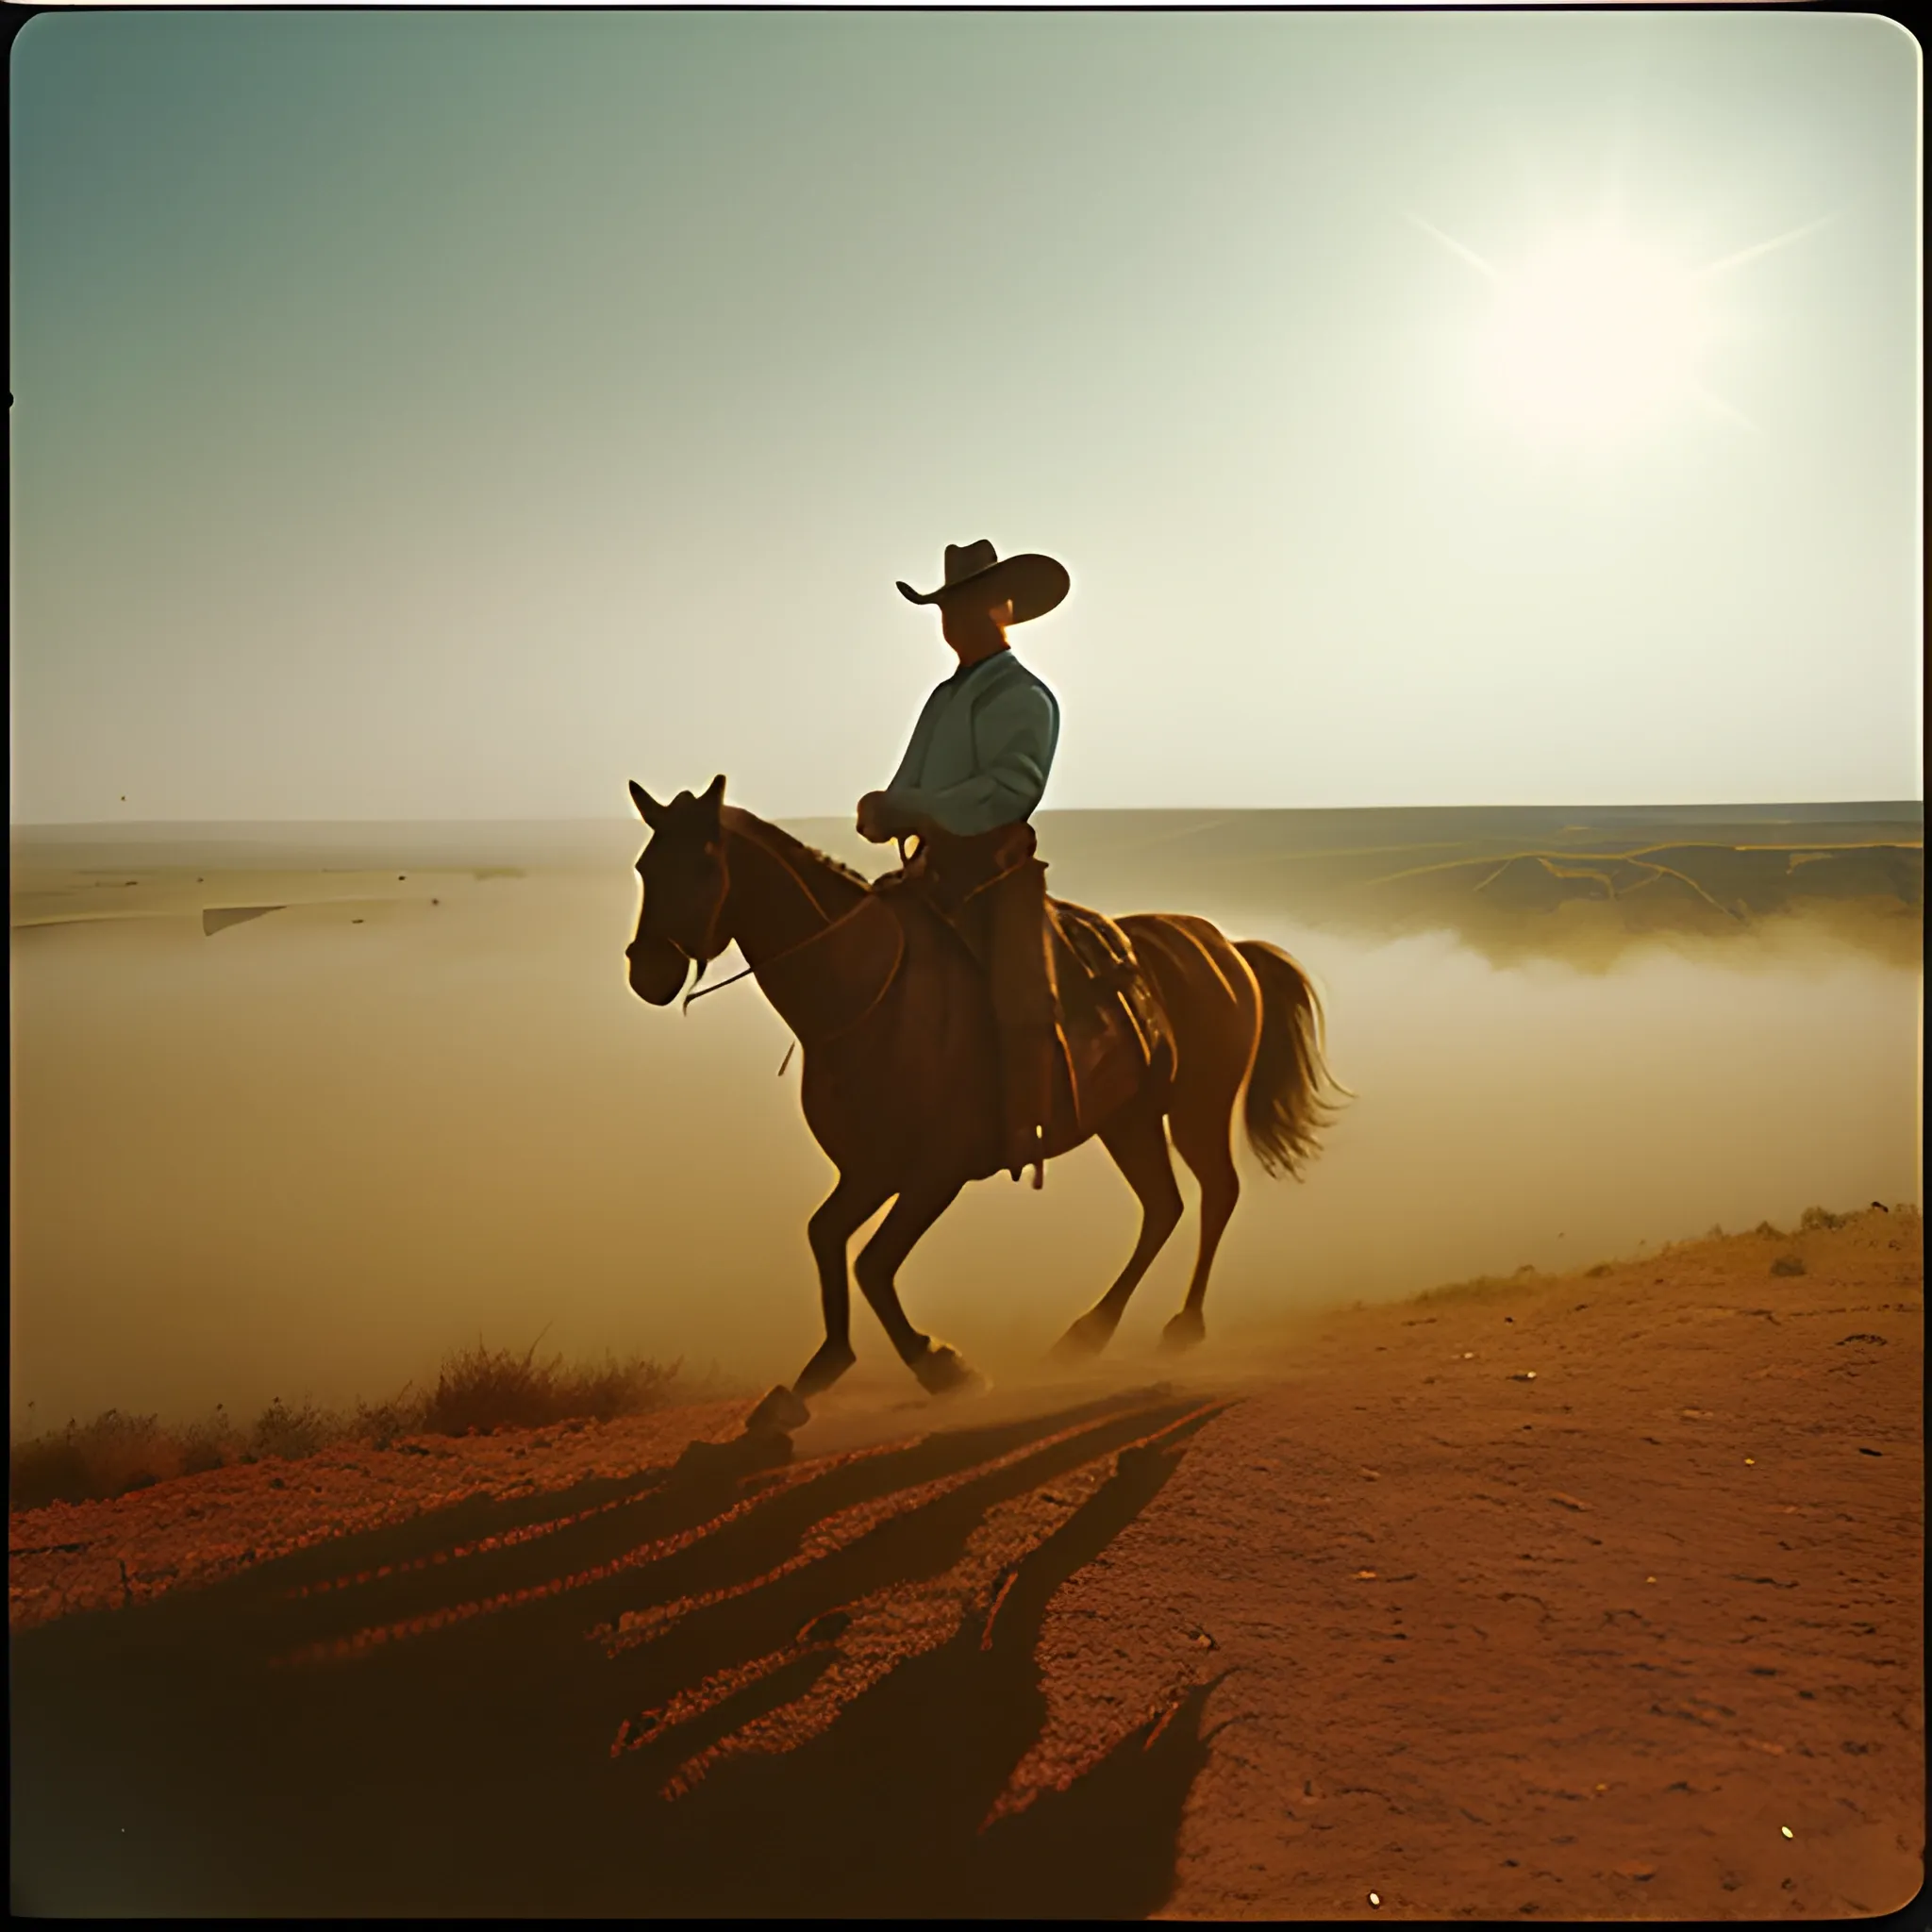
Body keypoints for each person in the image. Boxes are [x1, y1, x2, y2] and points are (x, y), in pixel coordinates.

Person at [857, 540, 1070, 1187]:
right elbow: (911, 782)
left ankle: (1024, 1118)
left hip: (992, 872)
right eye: (949, 609)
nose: (956, 620)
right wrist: (886, 808)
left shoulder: (1025, 696)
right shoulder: (944, 699)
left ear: (1005, 609)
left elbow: (1010, 789)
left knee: (1018, 986)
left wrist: (910, 806)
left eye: (971, 605)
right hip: (935, 869)